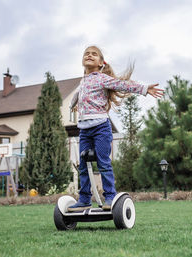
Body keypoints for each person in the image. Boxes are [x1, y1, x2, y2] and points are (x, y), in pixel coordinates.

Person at [68, 46, 164, 212]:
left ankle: (110, 196)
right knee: (83, 165)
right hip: (84, 130)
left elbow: (122, 85)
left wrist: (144, 89)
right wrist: (72, 105)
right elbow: (77, 95)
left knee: (103, 162)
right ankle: (84, 199)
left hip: (100, 128)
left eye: (94, 54)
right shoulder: (82, 81)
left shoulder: (102, 78)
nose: (89, 55)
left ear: (100, 63)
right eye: (86, 53)